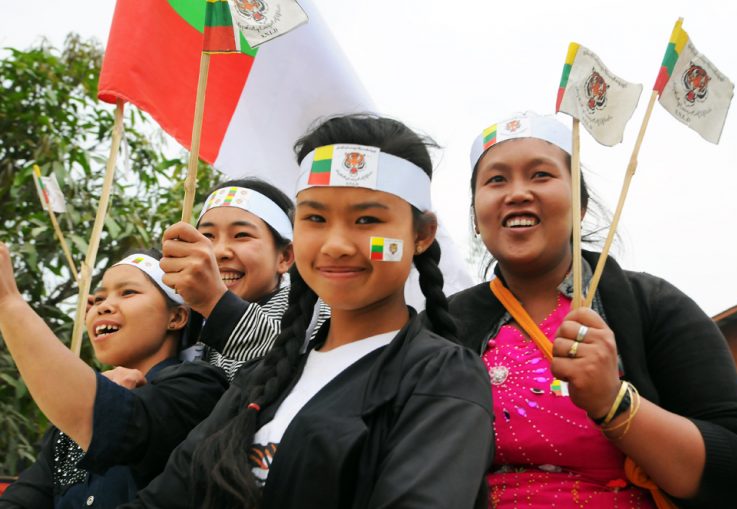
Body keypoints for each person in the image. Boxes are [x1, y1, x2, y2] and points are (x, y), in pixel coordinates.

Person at [121, 114, 494, 509]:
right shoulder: (261, 380)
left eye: (367, 219)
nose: (335, 245)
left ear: (420, 235)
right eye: (315, 218)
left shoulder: (445, 377)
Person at [446, 111, 737, 508]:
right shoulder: (442, 328)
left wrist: (613, 402)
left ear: (580, 208)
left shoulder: (653, 305)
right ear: (476, 216)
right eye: (496, 180)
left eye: (541, 175)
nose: (517, 192)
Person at [0, 249, 228, 508]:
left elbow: (117, 424)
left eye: (128, 292)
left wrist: (9, 302)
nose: (103, 306)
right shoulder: (67, 425)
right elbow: (23, 499)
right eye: (98, 298)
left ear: (176, 317)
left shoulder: (201, 386)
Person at [160, 179, 298, 380]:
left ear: (284, 257)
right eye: (207, 236)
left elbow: (300, 363)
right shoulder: (195, 331)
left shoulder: (319, 312)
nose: (218, 251)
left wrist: (215, 302)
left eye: (241, 235)